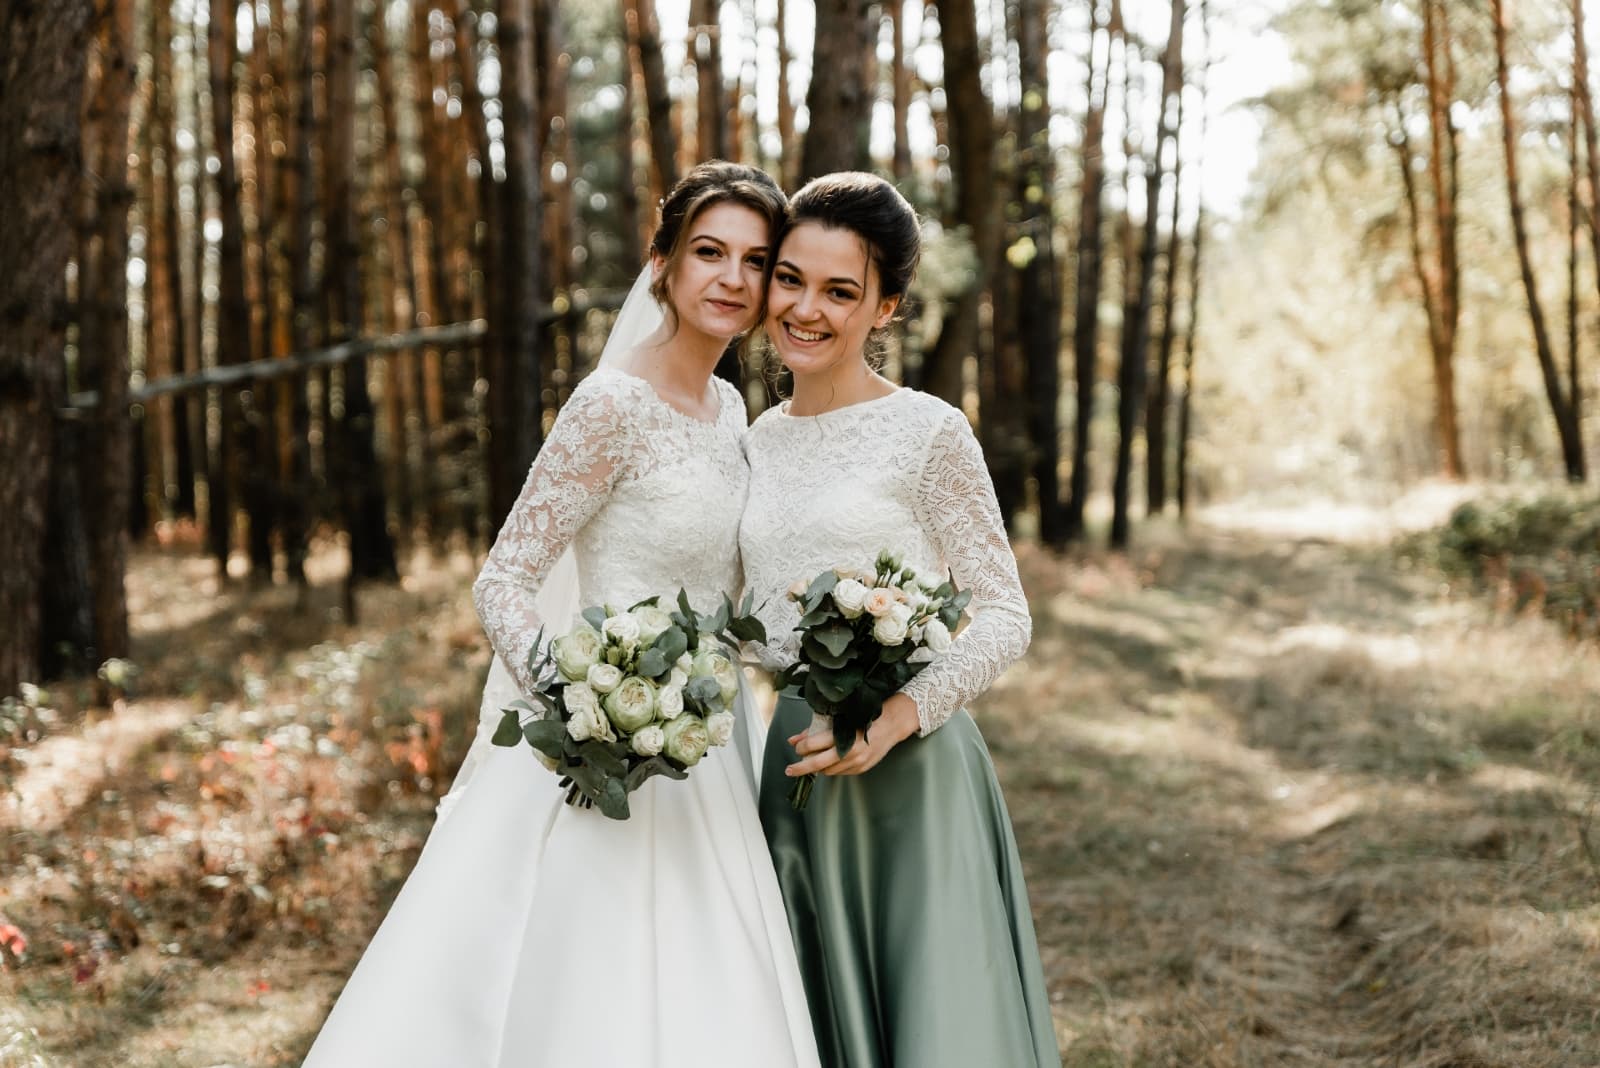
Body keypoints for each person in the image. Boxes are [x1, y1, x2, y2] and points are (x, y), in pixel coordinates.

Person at [305, 161, 819, 1068]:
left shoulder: (732, 405)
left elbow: (729, 597)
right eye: (709, 252)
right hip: (599, 745)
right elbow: (503, 579)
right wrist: (587, 705)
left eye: (755, 260)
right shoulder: (611, 403)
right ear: (661, 262)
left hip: (706, 743)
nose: (732, 279)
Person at [739, 172, 1060, 1067]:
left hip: (911, 766)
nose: (806, 308)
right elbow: (753, 618)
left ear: (886, 307)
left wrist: (897, 715)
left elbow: (1004, 614)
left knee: (936, 1024)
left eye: (841, 291)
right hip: (798, 759)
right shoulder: (755, 439)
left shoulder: (929, 431)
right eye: (791, 278)